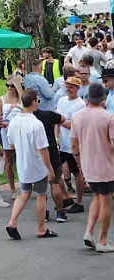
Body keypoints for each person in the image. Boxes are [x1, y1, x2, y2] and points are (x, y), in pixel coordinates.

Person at [5, 89, 58, 240]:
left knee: (24, 193)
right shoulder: (36, 124)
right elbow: (43, 149)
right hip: (37, 165)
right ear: (34, 102)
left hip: (23, 164)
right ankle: (41, 228)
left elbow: (11, 143)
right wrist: (50, 169)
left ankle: (12, 221)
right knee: (41, 195)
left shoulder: (14, 121)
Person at [70, 82, 114, 252]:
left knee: (97, 197)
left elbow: (74, 145)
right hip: (106, 166)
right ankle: (102, 241)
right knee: (105, 200)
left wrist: (80, 163)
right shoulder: (108, 117)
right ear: (103, 98)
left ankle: (89, 232)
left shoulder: (77, 116)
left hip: (87, 165)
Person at [55, 76, 86, 214]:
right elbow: (57, 120)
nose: (68, 89)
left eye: (72, 87)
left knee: (76, 173)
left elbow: (75, 126)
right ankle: (65, 198)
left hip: (74, 144)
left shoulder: (80, 104)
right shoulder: (61, 101)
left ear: (77, 88)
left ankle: (79, 202)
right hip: (62, 143)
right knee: (57, 171)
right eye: (67, 86)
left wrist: (60, 121)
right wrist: (56, 136)